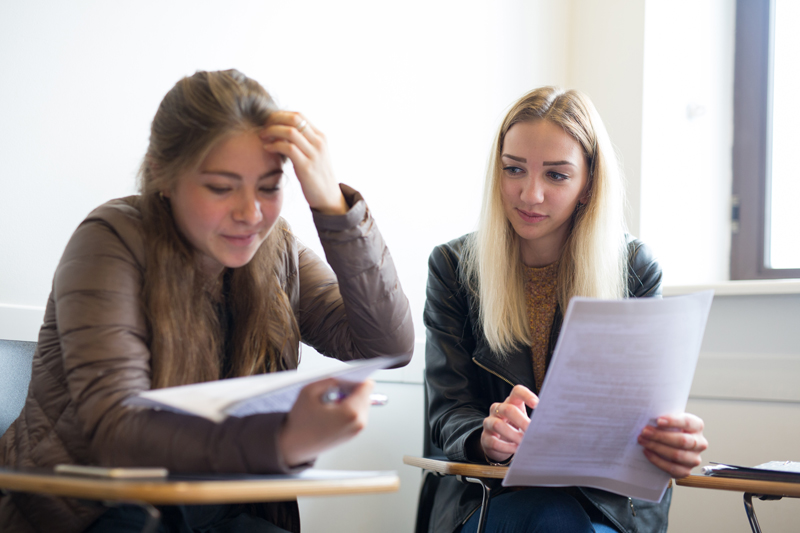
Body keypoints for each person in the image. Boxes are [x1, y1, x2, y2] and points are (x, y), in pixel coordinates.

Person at [0, 69, 414, 533]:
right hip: (96, 511)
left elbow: (388, 348)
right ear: (162, 174)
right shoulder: (111, 239)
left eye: (269, 186)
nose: (250, 213)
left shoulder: (276, 250)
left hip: (220, 511)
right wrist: (286, 439)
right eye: (221, 187)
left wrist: (332, 205)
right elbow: (119, 430)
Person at [424, 86, 707, 533]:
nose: (529, 194)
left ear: (588, 183)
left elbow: (641, 415)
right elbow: (447, 411)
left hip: (603, 508)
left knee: (559, 519)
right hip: (486, 497)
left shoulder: (633, 268)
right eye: (513, 169)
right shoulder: (455, 269)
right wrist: (486, 436)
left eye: (556, 176)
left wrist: (670, 440)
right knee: (549, 516)